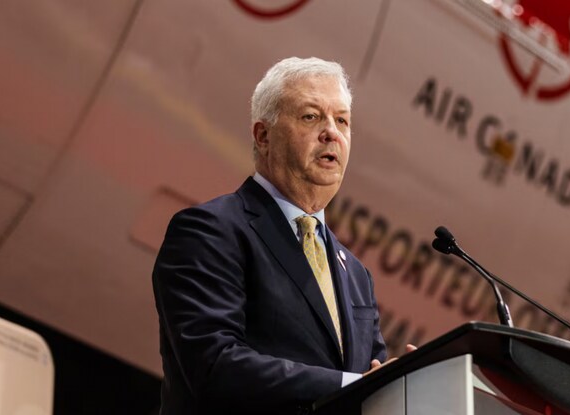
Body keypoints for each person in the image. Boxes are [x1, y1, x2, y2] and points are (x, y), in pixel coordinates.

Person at [152, 57, 395, 414]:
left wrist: (404, 382)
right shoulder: (210, 230)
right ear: (263, 136)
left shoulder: (357, 275)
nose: (332, 132)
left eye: (342, 120)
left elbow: (372, 383)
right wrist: (352, 386)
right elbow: (214, 365)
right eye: (311, 116)